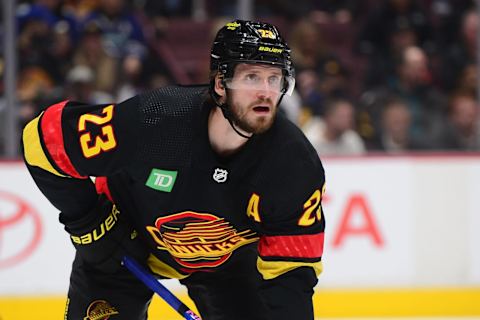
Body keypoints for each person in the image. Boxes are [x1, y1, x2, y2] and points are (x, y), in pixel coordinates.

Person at [22, 20, 326, 320]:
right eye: (251, 78)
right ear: (220, 84)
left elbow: (291, 275)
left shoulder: (294, 164)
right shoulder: (155, 120)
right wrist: (90, 222)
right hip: (124, 245)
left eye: (274, 79)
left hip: (227, 265)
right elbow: (41, 139)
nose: (265, 92)